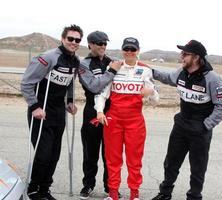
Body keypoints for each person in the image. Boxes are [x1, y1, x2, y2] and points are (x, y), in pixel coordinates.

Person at [21, 25, 121, 200]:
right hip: (41, 110)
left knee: (54, 154)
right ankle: (33, 189)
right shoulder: (48, 58)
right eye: (70, 39)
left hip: (59, 112)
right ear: (63, 39)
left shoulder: (75, 61)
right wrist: (34, 106)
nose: (74, 42)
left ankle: (45, 189)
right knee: (43, 153)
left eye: (77, 40)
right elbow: (26, 83)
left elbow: (68, 83)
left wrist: (69, 102)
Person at [151, 40, 222, 200]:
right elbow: (167, 77)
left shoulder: (212, 79)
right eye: (182, 53)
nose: (181, 56)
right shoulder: (181, 72)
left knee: (198, 168)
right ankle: (165, 194)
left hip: (200, 129)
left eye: (185, 54)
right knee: (171, 163)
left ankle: (194, 196)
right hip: (181, 125)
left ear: (196, 57)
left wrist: (206, 125)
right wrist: (149, 71)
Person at [94, 37, 159, 200]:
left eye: (133, 49)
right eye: (126, 49)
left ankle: (134, 194)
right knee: (112, 159)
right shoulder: (114, 67)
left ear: (138, 51)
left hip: (135, 121)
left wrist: (151, 93)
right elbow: (102, 93)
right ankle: (113, 194)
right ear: (122, 50)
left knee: (134, 160)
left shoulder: (145, 70)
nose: (129, 52)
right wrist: (100, 112)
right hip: (113, 119)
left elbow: (155, 100)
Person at [79, 30, 122, 199]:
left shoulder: (113, 62)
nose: (103, 46)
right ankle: (88, 185)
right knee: (90, 152)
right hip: (92, 111)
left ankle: (109, 187)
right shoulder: (84, 64)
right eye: (99, 43)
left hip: (111, 112)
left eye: (105, 43)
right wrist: (111, 72)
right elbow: (94, 86)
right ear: (90, 44)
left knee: (110, 154)